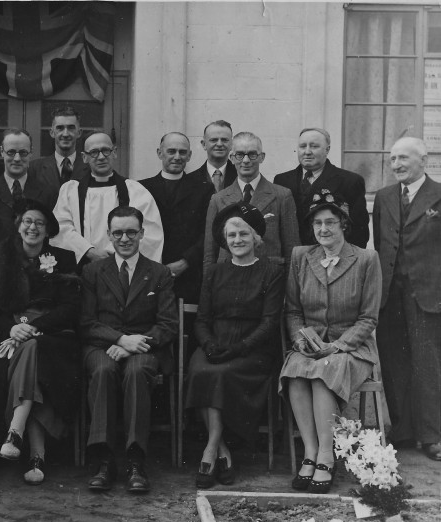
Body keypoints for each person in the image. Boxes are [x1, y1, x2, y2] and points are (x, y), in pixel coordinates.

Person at [279, 190, 381, 493]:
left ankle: (327, 454)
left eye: (331, 223)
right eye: (318, 224)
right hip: (311, 346)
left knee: (324, 370)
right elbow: (293, 311)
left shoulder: (365, 259)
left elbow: (368, 318)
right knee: (295, 371)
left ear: (343, 225)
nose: (324, 229)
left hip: (351, 347)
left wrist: (337, 346)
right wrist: (301, 341)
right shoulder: (301, 256)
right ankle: (310, 453)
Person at [80, 206, 178, 493]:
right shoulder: (93, 271)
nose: (125, 238)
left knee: (137, 371)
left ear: (142, 234)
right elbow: (86, 322)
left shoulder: (159, 273)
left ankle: (136, 462)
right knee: (103, 370)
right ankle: (104, 461)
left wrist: (136, 344)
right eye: (118, 232)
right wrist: (120, 341)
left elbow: (168, 324)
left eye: (131, 232)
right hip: (102, 346)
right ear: (109, 235)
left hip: (146, 347)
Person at [186, 203, 284, 489]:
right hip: (215, 344)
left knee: (217, 375)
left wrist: (239, 348)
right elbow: (202, 319)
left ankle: (210, 449)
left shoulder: (271, 271)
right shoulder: (214, 272)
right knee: (201, 370)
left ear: (256, 238)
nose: (237, 240)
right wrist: (207, 344)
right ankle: (223, 452)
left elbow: (269, 323)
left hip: (252, 349)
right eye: (231, 236)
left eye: (243, 234)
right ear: (224, 241)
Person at [0, 199, 80, 484]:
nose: (33, 227)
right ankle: (37, 458)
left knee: (34, 347)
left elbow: (68, 308)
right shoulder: (1, 256)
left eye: (40, 223)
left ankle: (15, 430)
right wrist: (14, 329)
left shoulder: (63, 258)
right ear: (18, 226)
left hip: (52, 335)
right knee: (31, 354)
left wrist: (34, 327)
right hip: (11, 334)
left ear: (48, 229)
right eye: (28, 221)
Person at [374, 137, 441, 461]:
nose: (396, 164)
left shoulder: (438, 195)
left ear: (423, 161)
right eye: (392, 159)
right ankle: (401, 431)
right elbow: (382, 245)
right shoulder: (385, 197)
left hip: (427, 294)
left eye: (403, 158)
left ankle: (432, 435)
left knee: (427, 364)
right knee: (393, 361)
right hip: (390, 294)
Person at [50, 132, 164, 265]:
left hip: (123, 269)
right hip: (84, 267)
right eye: (94, 152)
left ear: (114, 152)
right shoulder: (70, 191)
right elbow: (61, 227)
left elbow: (149, 232)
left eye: (105, 151)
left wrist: (113, 256)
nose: (101, 157)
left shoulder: (136, 191)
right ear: (84, 157)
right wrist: (89, 251)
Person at [203, 131, 299, 275]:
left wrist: (290, 293)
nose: (246, 160)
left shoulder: (282, 195)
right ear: (232, 158)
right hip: (229, 278)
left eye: (252, 154)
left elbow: (292, 249)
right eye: (240, 155)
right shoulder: (218, 199)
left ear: (262, 157)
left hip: (269, 279)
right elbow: (209, 254)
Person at [139, 132, 214, 313]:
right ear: (159, 153)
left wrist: (185, 262)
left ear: (189, 155)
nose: (177, 157)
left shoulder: (204, 189)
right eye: (171, 151)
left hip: (188, 274)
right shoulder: (141, 188)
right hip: (149, 273)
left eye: (182, 152)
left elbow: (209, 231)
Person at [274, 128, 369, 248]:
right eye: (303, 146)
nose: (307, 151)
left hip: (332, 259)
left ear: (327, 149)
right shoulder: (282, 180)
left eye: (314, 146)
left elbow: (359, 232)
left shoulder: (350, 181)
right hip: (294, 259)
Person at [0, 129, 59, 241]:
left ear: (31, 152)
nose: (17, 159)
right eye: (11, 152)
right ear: (2, 151)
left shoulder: (47, 192)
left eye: (23, 153)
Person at [29, 106, 90, 186]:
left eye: (71, 128)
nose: (65, 134)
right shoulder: (34, 169)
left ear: (79, 133)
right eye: (60, 128)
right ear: (52, 133)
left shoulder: (90, 166)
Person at [188, 120, 237, 192]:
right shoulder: (189, 180)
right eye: (214, 140)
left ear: (232, 144)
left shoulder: (242, 177)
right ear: (204, 144)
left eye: (224, 140)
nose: (219, 144)